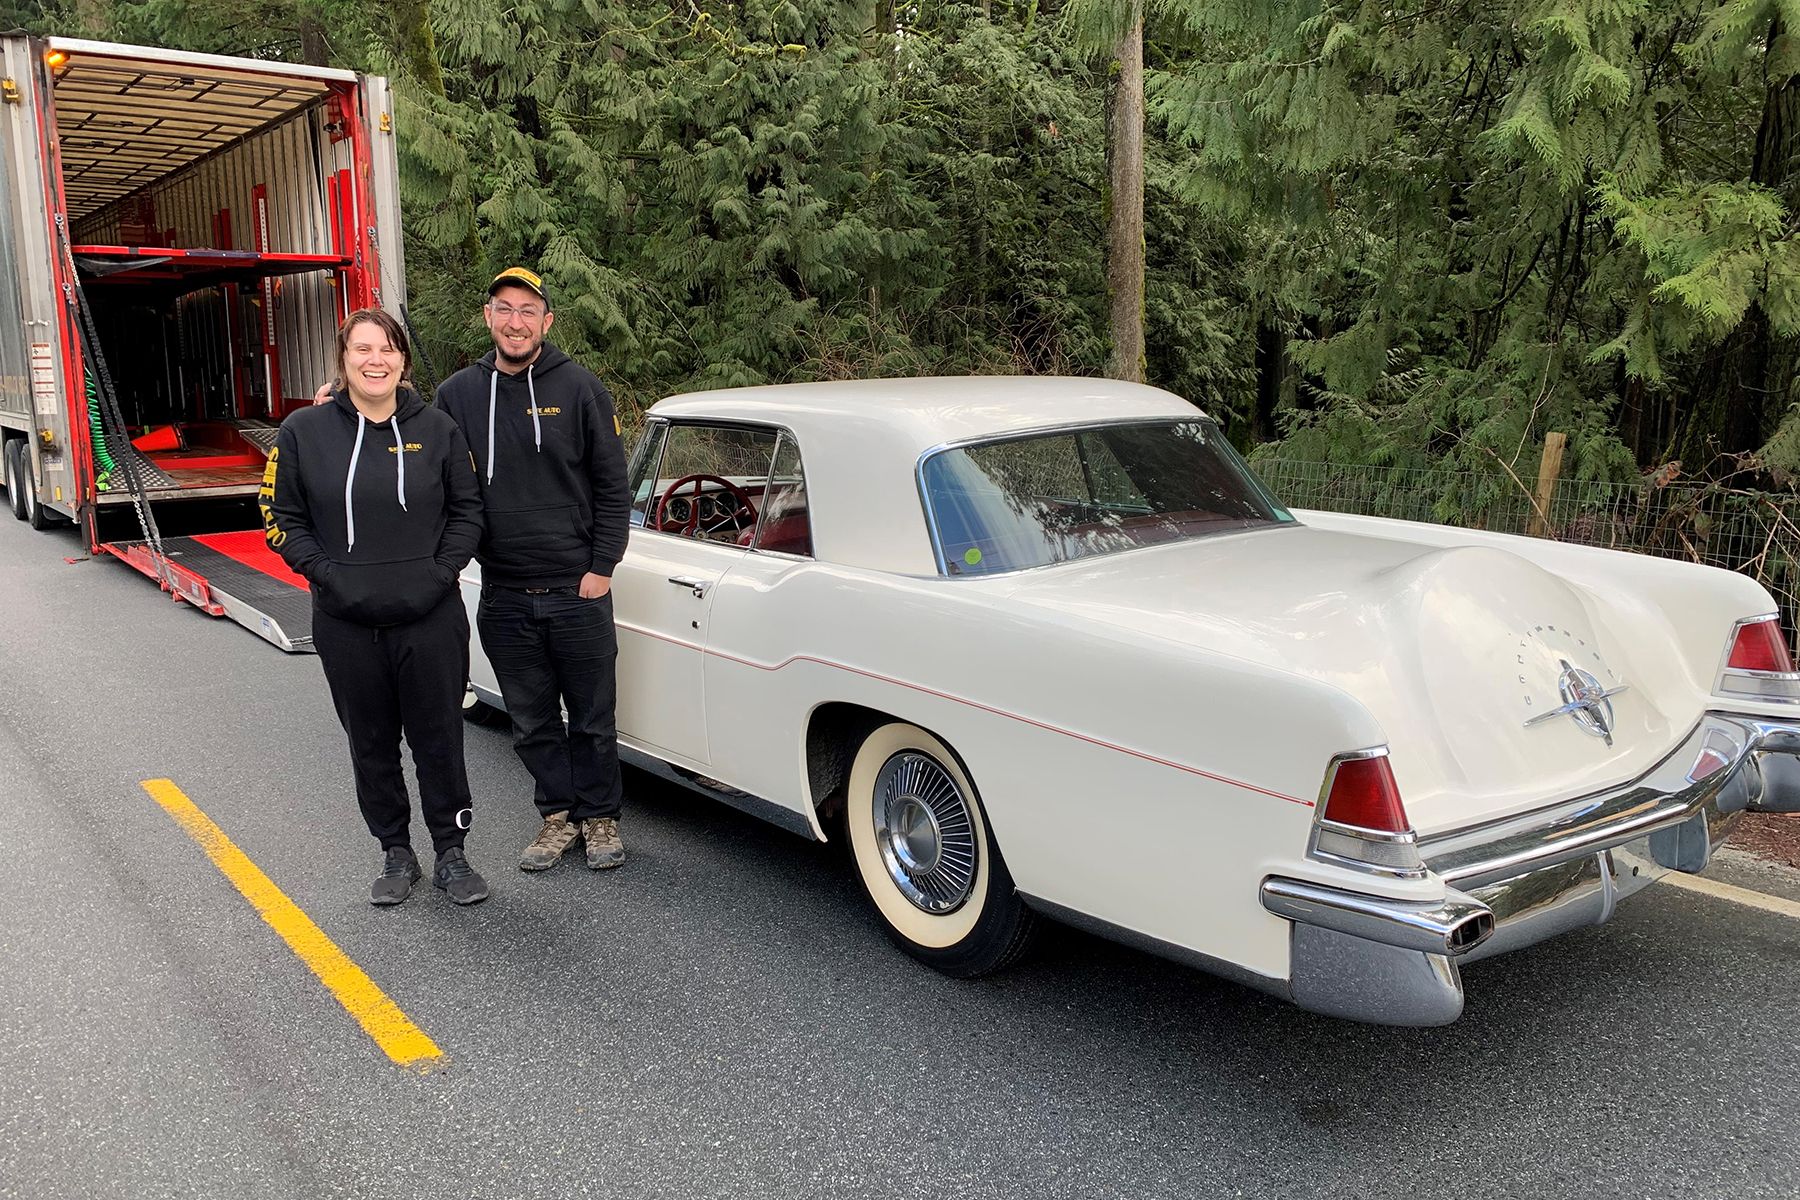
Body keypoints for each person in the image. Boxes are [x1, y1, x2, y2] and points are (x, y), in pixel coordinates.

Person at [263, 309, 490, 906]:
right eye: (362, 348)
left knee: (439, 738)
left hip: (431, 617)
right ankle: (395, 850)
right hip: (345, 622)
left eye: (387, 349)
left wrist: (442, 574)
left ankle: (451, 852)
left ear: (403, 362)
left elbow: (468, 513)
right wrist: (328, 577)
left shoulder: (438, 430)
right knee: (371, 741)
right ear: (343, 360)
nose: (375, 360)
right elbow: (280, 518)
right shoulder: (302, 432)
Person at [434, 267, 632, 873]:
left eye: (528, 310)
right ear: (488, 316)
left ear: (546, 321)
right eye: (504, 308)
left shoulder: (580, 389)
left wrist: (602, 567)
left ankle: (600, 818)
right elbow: (429, 474)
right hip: (506, 593)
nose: (515, 321)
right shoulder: (457, 396)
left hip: (578, 589)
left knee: (593, 717)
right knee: (531, 720)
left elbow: (612, 485)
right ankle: (558, 816)